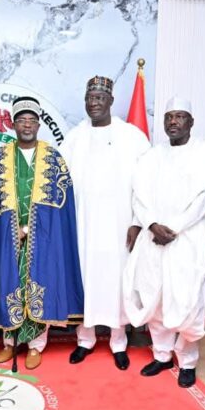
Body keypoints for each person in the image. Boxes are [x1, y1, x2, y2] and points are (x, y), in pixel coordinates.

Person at [0, 97, 84, 370]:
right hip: (8, 236)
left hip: (43, 236)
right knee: (8, 282)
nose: (27, 125)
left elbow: (61, 204)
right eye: (22, 120)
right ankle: (9, 344)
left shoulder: (53, 158)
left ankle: (35, 345)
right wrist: (9, 229)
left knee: (39, 283)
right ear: (13, 124)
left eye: (32, 120)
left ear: (39, 125)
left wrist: (35, 228)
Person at [122, 97, 205, 388]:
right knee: (156, 296)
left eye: (180, 116)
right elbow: (139, 194)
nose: (173, 121)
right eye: (169, 117)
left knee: (188, 299)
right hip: (154, 237)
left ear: (191, 122)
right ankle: (162, 355)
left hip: (187, 239)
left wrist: (173, 228)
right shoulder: (152, 156)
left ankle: (187, 361)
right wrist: (152, 224)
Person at [60, 75, 151, 370]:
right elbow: (60, 184)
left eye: (99, 98)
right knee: (85, 278)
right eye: (90, 98)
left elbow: (146, 184)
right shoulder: (74, 138)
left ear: (111, 101)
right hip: (83, 226)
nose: (94, 103)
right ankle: (84, 339)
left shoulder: (132, 137)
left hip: (119, 225)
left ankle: (118, 341)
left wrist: (137, 222)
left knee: (116, 280)